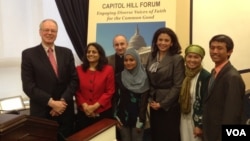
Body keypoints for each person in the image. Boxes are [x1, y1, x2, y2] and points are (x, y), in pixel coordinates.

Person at [21, 19, 79, 140]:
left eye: (53, 30)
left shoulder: (67, 53)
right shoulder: (28, 54)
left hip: (65, 113)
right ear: (40, 32)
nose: (50, 33)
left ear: (57, 33)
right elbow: (28, 86)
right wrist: (51, 103)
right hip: (42, 114)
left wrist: (61, 102)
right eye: (46, 30)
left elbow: (74, 80)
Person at [203, 34, 245, 141]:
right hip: (211, 132)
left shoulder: (232, 77)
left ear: (229, 52)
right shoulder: (214, 72)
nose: (215, 51)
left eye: (220, 48)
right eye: (212, 48)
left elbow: (232, 114)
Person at [146, 27, 185, 141]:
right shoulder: (151, 57)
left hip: (169, 106)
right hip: (154, 103)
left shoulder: (177, 59)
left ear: (172, 43)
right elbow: (148, 79)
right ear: (156, 41)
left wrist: (162, 104)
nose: (163, 43)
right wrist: (150, 99)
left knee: (169, 135)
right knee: (156, 135)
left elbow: (178, 85)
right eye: (160, 39)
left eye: (166, 40)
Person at [75, 42, 115, 130]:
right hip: (84, 113)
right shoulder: (78, 69)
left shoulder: (108, 69)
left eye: (94, 52)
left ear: (100, 54)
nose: (90, 54)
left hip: (103, 112)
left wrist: (94, 107)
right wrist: (85, 107)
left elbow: (109, 91)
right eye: (88, 52)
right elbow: (77, 91)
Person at [114, 48, 149, 141]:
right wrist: (115, 117)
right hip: (122, 118)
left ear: (137, 60)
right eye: (126, 60)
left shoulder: (144, 77)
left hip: (137, 119)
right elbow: (116, 98)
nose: (128, 63)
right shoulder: (118, 77)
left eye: (131, 60)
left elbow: (144, 102)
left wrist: (141, 120)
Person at [179, 45, 210, 141]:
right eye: (189, 56)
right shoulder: (182, 73)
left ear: (201, 59)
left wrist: (199, 125)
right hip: (184, 116)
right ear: (185, 58)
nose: (192, 60)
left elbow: (206, 103)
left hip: (196, 118)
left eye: (196, 57)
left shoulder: (205, 76)